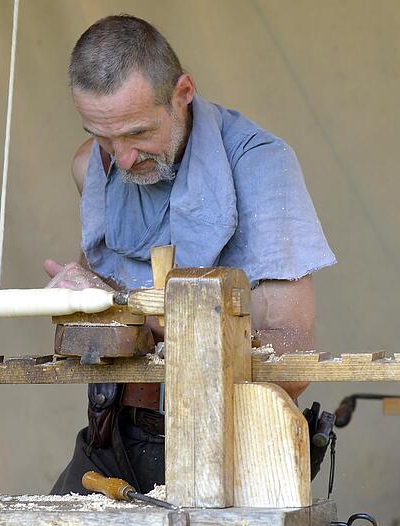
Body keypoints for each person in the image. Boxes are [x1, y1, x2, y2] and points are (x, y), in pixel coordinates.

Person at [46, 14, 336, 495]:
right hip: (113, 432)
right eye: (103, 135)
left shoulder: (262, 168)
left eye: (138, 133)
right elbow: (106, 318)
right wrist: (82, 302)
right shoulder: (91, 165)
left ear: (183, 92)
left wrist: (136, 311)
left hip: (231, 444)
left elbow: (291, 364)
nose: (120, 159)